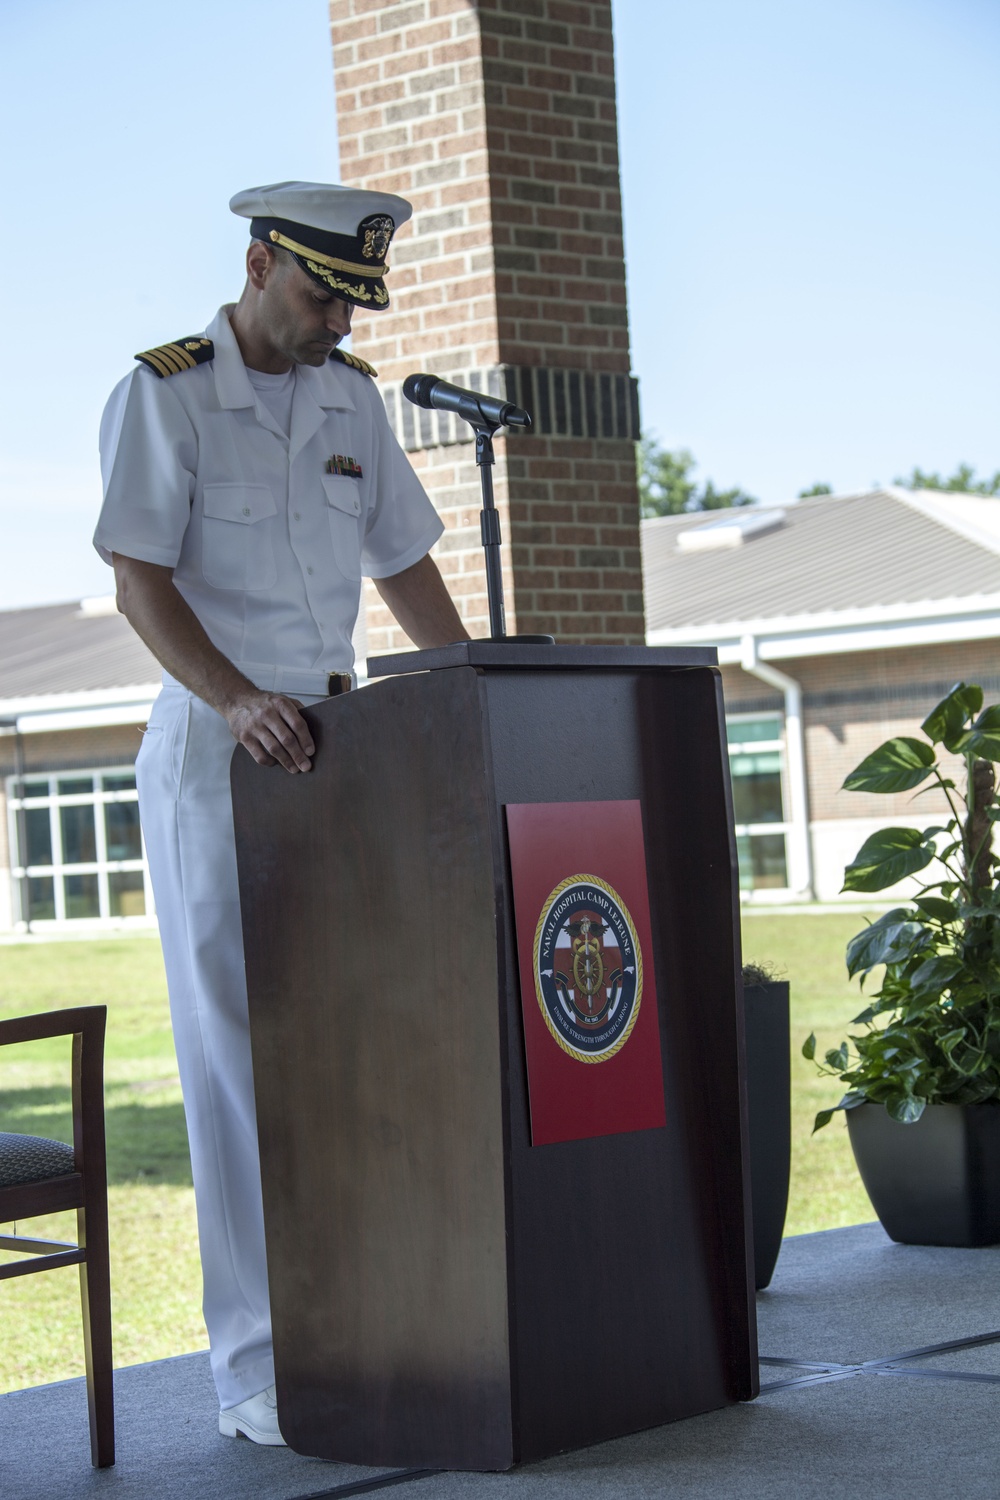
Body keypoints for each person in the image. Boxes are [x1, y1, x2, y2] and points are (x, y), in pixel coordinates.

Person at [93, 181, 468, 1446]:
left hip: (346, 757)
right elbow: (137, 578)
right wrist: (241, 697)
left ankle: (368, 1318)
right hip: (218, 749)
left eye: (351, 306)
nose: (333, 326)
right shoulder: (168, 391)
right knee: (239, 1071)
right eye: (318, 297)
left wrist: (473, 690)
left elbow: (402, 556)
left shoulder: (350, 399)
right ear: (258, 263)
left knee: (358, 1055)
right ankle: (255, 1368)